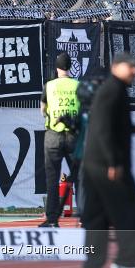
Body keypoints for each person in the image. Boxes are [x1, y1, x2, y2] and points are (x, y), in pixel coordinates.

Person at [82, 54, 135, 268]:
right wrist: (113, 162)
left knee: (97, 219)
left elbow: (112, 126)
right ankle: (125, 261)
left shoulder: (114, 90)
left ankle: (93, 263)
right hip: (106, 166)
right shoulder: (112, 90)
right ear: (116, 67)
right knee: (130, 213)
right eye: (131, 67)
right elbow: (103, 130)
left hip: (94, 164)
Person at [40, 53, 80, 227]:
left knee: (52, 179)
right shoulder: (78, 85)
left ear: (56, 68)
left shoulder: (49, 86)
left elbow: (43, 110)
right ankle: (85, 218)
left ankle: (51, 220)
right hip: (74, 135)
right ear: (70, 67)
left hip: (54, 135)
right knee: (79, 178)